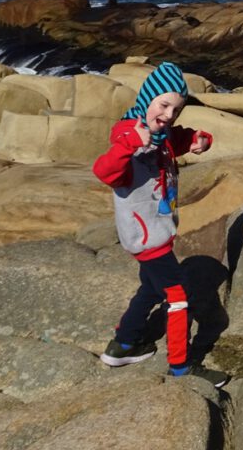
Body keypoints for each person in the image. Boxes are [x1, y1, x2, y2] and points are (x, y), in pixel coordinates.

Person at [92, 62, 229, 388]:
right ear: (147, 100)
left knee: (151, 289)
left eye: (176, 109)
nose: (168, 114)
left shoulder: (161, 135)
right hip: (147, 236)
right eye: (163, 105)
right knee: (177, 297)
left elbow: (179, 139)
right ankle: (181, 367)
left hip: (154, 231)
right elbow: (105, 171)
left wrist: (200, 139)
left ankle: (123, 345)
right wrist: (130, 145)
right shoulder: (131, 136)